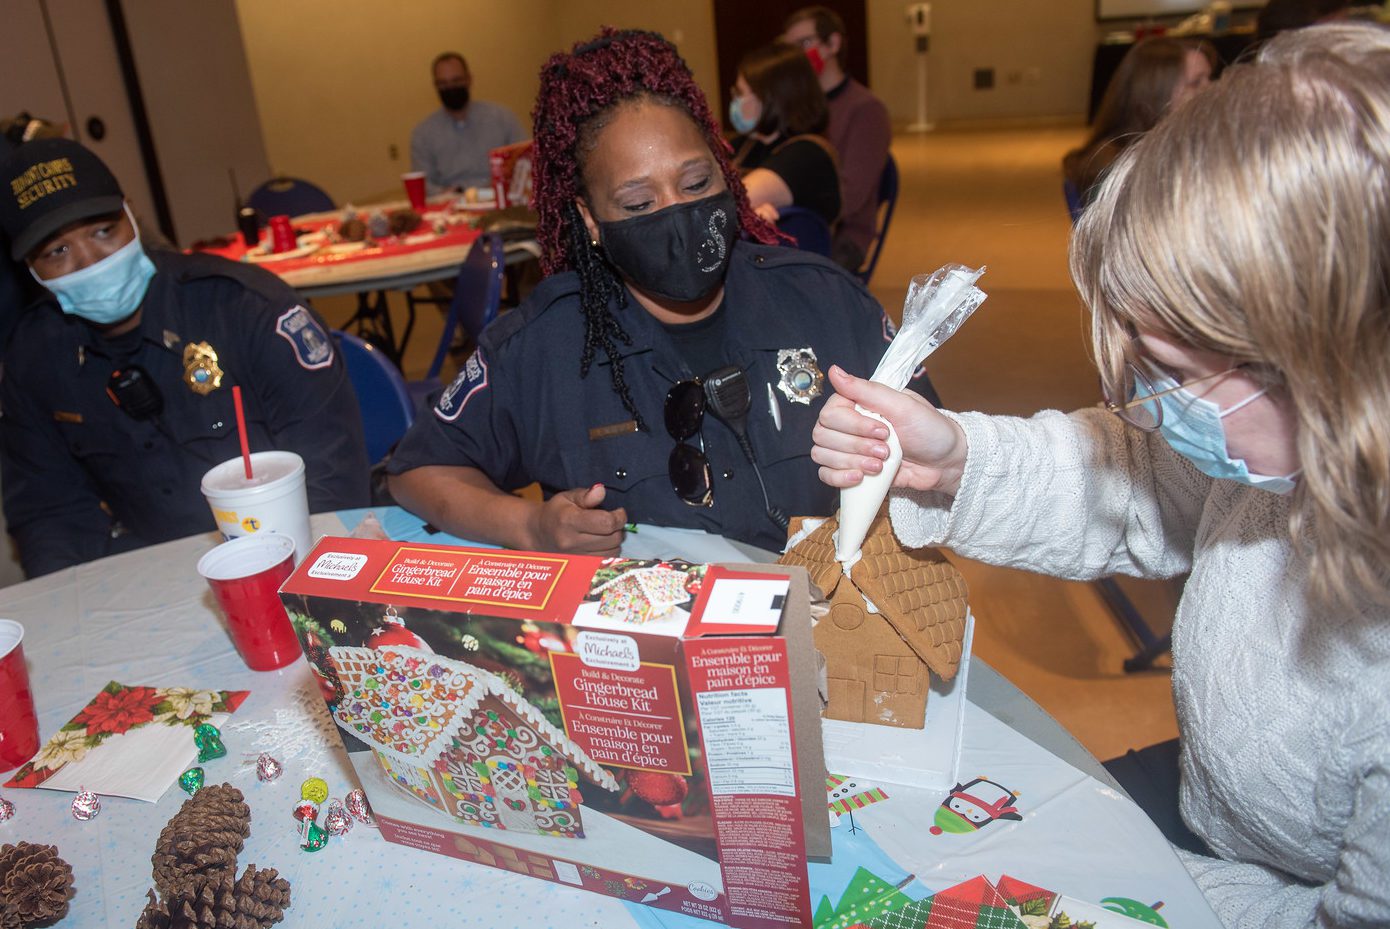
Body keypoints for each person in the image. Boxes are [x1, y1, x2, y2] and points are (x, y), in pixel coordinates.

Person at [813, 23, 1389, 928]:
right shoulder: (1281, 451)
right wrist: (955, 456)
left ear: (1333, 363)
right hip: (1218, 825)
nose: (1151, 406)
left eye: (1175, 373)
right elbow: (1135, 476)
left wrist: (1172, 892)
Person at [387, 28, 897, 557]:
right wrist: (530, 525)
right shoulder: (546, 345)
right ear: (589, 218)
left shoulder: (825, 302)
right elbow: (417, 470)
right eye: (637, 205)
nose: (677, 214)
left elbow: (938, 467)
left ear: (726, 174)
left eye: (697, 185)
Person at [0, 138, 371, 577]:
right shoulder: (34, 356)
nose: (89, 261)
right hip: (147, 574)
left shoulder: (245, 309)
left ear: (132, 215)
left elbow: (332, 480)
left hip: (286, 558)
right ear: (30, 269)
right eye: (56, 252)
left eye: (103, 231)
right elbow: (50, 514)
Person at [783, 6, 891, 272]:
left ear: (832, 44)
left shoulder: (866, 109)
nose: (796, 56)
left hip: (844, 236)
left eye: (804, 43)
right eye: (790, 48)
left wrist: (782, 197)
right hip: (798, 222)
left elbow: (851, 197)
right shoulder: (795, 108)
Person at [1062, 37, 1213, 211]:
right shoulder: (1119, 173)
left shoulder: (1175, 148)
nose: (1212, 89)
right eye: (1196, 83)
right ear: (1156, 94)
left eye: (1209, 78)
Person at [729, 42, 841, 231]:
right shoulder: (746, 143)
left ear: (771, 97)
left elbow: (727, 205)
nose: (734, 101)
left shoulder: (808, 155)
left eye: (740, 93)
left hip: (799, 259)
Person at [410, 51, 525, 196]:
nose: (451, 88)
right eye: (443, 83)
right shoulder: (423, 134)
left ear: (469, 79)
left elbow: (525, 163)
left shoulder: (502, 119)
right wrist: (445, 194)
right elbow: (422, 184)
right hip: (452, 205)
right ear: (435, 86)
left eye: (456, 81)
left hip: (502, 199)